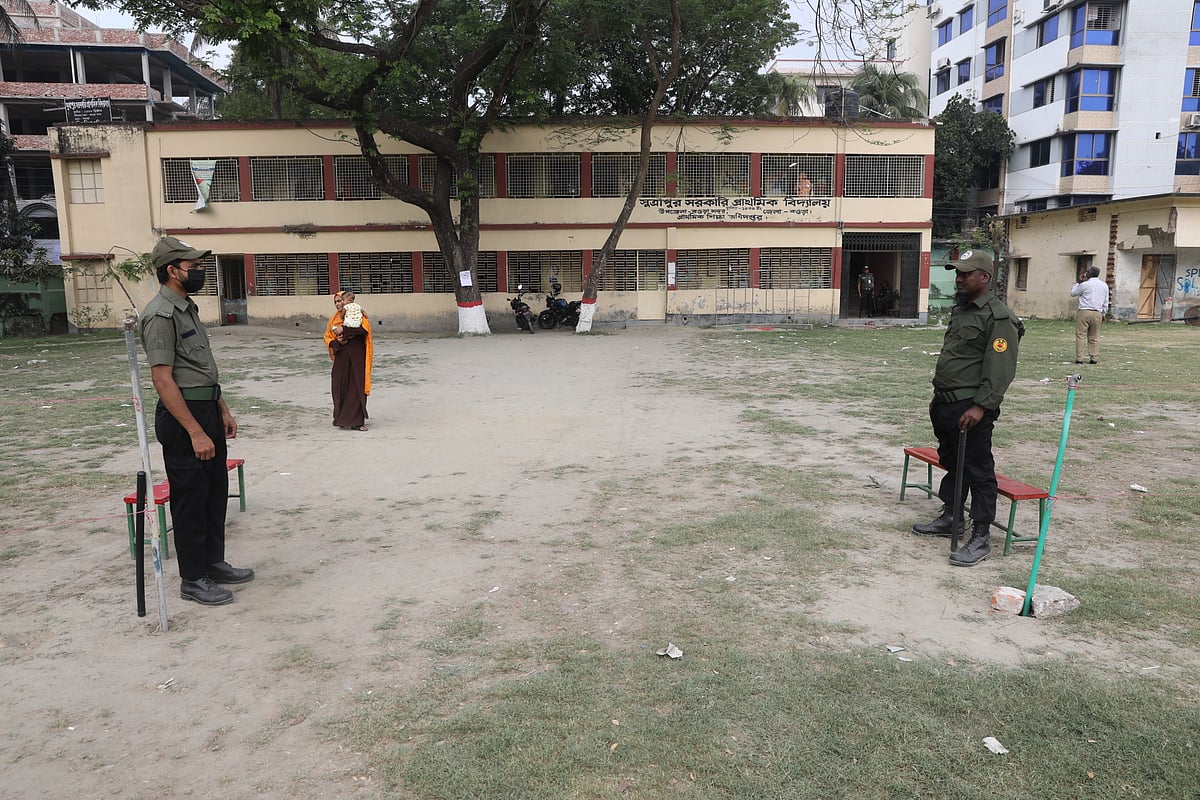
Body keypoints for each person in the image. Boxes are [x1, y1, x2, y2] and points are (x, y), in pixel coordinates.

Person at [138, 236, 254, 605]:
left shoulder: (187, 308)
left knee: (215, 490)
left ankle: (213, 563)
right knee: (190, 497)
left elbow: (202, 369)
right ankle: (193, 578)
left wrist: (222, 411)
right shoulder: (160, 315)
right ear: (172, 271)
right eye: (194, 266)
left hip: (206, 408)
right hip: (183, 416)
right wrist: (194, 431)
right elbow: (163, 378)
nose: (201, 271)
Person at [911, 250, 1021, 567]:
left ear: (984, 277)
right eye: (957, 273)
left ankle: (981, 536)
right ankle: (953, 517)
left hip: (970, 409)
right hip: (947, 404)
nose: (958, 279)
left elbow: (1000, 370)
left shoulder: (998, 317)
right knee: (953, 462)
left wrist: (981, 407)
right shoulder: (962, 311)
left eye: (965, 274)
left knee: (979, 470)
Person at [323, 290, 373, 431]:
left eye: (340, 300)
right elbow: (327, 338)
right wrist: (337, 342)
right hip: (342, 357)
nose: (338, 304)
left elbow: (364, 329)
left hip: (357, 356)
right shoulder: (333, 319)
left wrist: (344, 330)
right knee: (339, 385)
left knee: (357, 385)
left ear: (347, 301)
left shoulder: (357, 314)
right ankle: (341, 418)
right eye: (336, 302)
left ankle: (358, 421)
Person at [1070, 266, 1109, 364]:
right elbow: (1105, 301)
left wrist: (1079, 282)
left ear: (1089, 274)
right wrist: (1103, 313)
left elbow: (1073, 293)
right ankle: (1093, 357)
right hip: (1097, 312)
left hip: (1084, 311)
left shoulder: (1085, 285)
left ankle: (1080, 358)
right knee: (1094, 336)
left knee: (1081, 335)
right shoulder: (1104, 285)